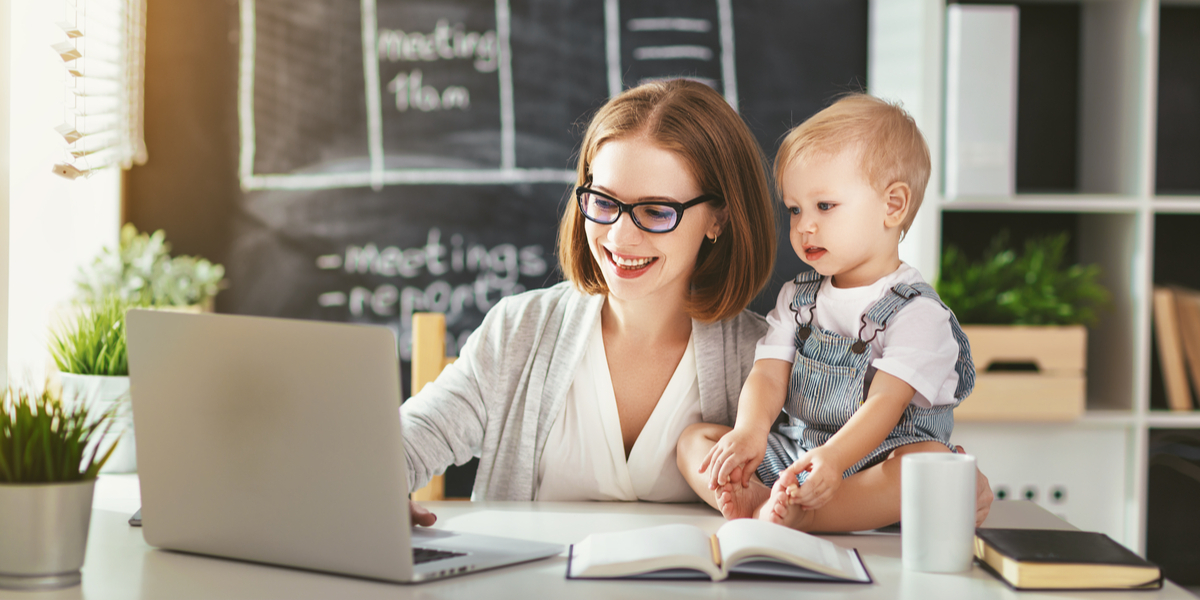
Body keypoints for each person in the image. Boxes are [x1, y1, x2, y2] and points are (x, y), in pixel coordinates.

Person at [401, 79, 776, 519]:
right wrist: (376, 487)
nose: (619, 236)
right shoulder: (520, 329)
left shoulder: (767, 359)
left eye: (655, 211)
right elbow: (413, 437)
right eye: (603, 201)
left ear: (719, 218)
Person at [676, 93, 986, 531]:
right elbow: (767, 375)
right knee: (696, 440)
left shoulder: (918, 314)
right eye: (795, 209)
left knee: (931, 463)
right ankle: (764, 499)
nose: (804, 226)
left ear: (892, 205)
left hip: (873, 463)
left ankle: (806, 515)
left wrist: (835, 461)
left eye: (825, 206)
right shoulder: (797, 298)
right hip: (799, 454)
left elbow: (884, 403)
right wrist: (749, 432)